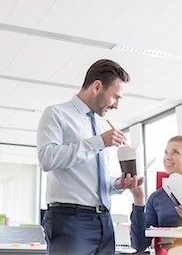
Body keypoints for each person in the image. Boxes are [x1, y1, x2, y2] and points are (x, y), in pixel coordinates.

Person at [37, 59, 143, 255]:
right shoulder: (56, 114)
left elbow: (92, 179)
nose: (117, 105)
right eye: (115, 97)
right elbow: (47, 158)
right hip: (70, 220)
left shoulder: (100, 127)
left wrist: (117, 184)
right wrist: (98, 142)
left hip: (104, 221)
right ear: (97, 86)